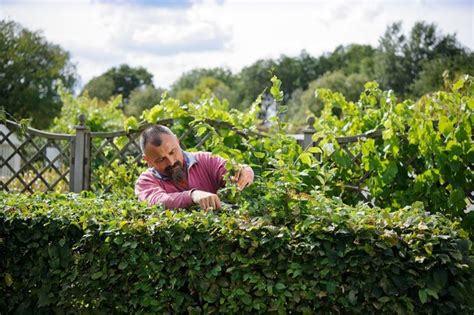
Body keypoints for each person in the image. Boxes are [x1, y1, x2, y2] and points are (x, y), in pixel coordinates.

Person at [135, 125, 254, 210]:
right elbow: (157, 201)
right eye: (161, 159)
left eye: (172, 152)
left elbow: (233, 172)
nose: (171, 162)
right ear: (148, 161)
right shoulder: (145, 181)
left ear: (177, 141)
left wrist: (245, 171)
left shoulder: (206, 160)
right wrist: (193, 195)